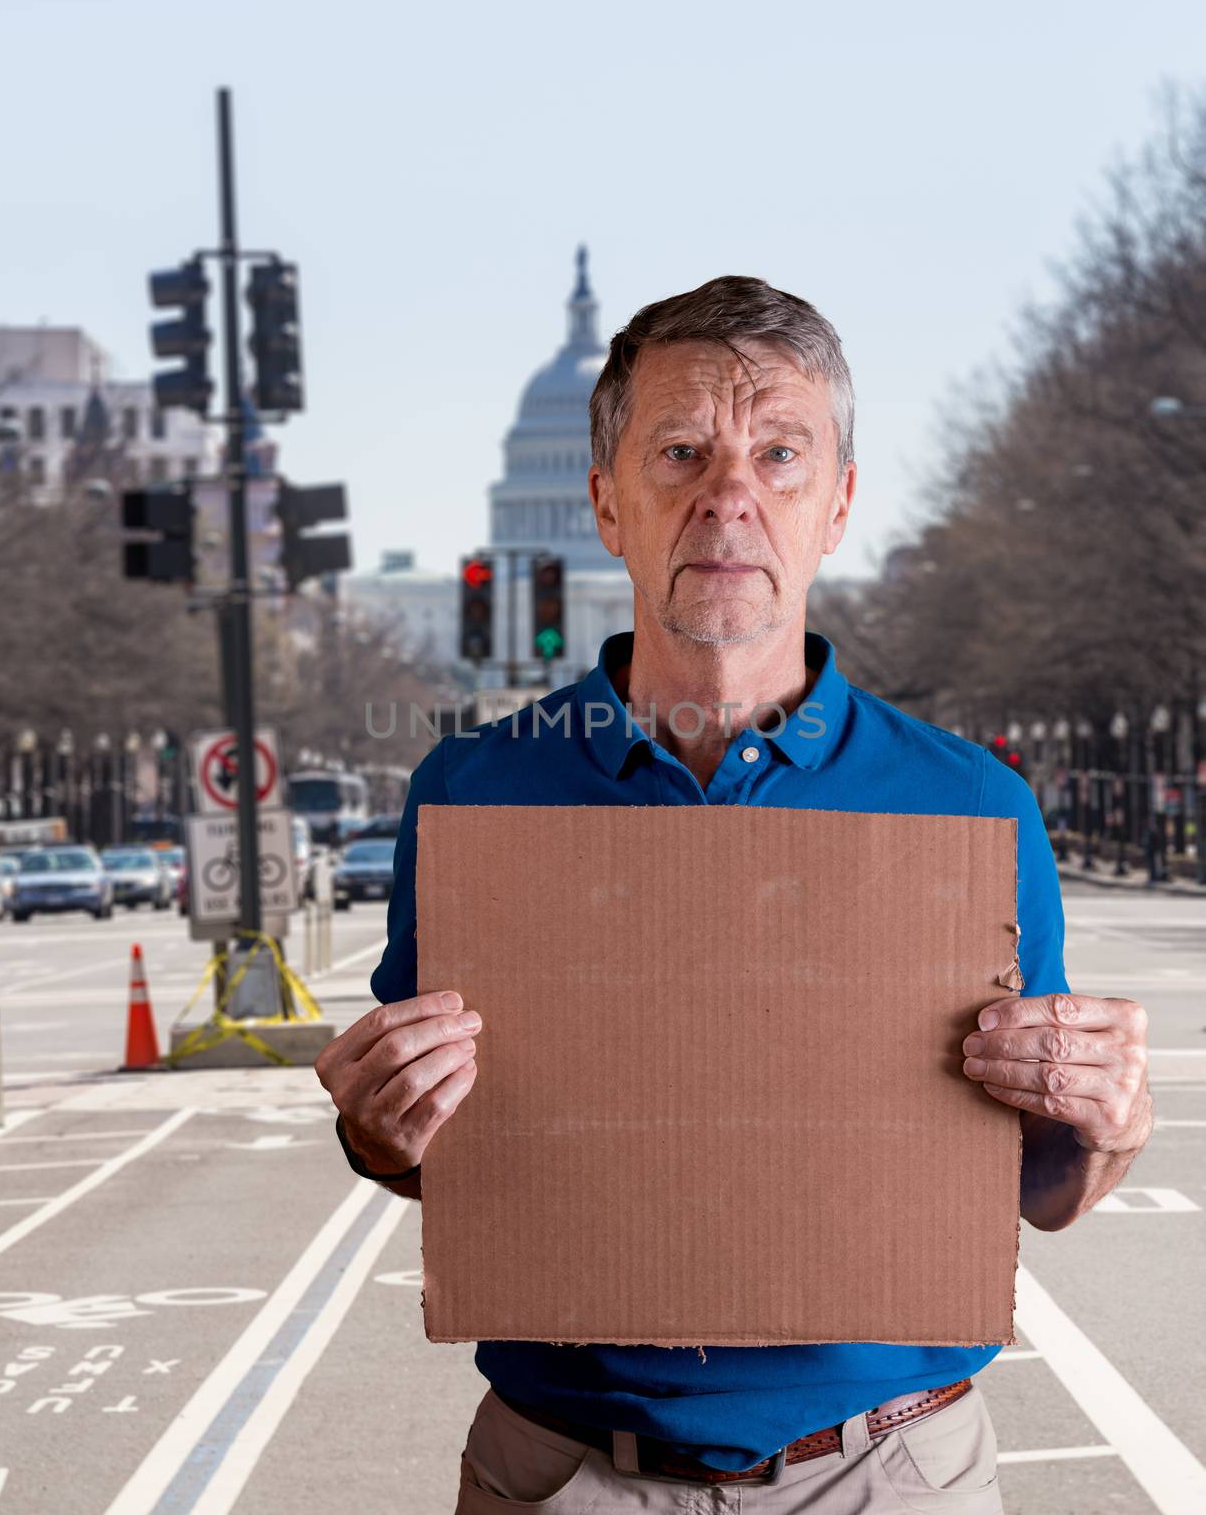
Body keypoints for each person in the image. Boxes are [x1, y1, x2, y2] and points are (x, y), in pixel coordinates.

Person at [316, 276, 1154, 1512]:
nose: (729, 497)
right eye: (679, 452)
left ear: (836, 505)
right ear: (605, 501)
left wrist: (1104, 1124)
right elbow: (444, 1159)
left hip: (889, 1466)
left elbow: (1031, 1186)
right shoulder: (474, 793)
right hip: (562, 1467)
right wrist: (375, 1129)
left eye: (778, 454)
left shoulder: (971, 804)